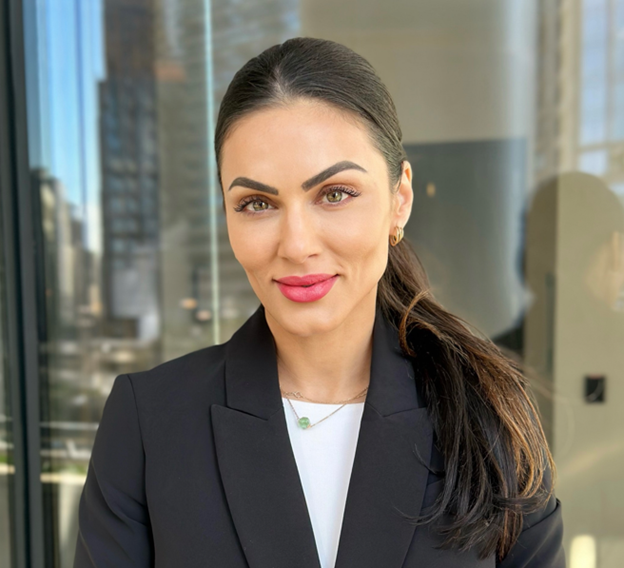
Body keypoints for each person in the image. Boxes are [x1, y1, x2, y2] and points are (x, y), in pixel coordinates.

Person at [73, 37, 565, 568]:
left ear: (399, 200)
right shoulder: (150, 423)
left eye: (335, 194)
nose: (296, 244)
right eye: (256, 203)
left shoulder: (486, 413)